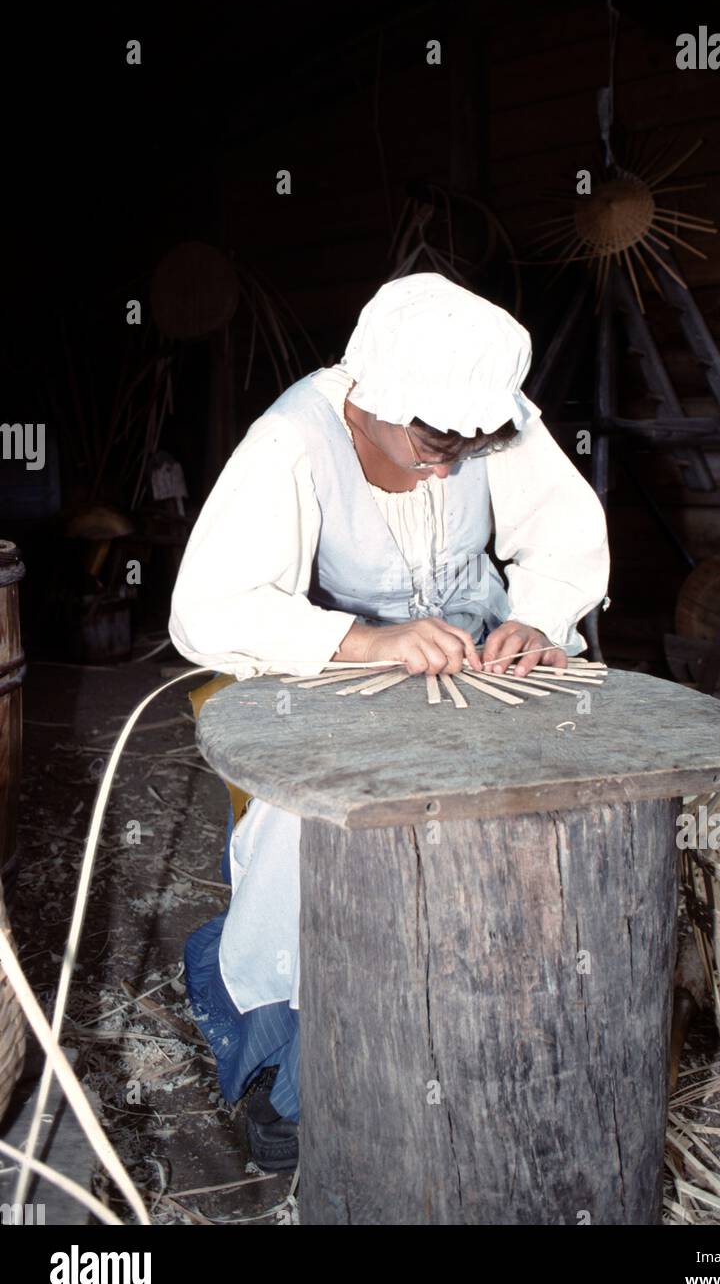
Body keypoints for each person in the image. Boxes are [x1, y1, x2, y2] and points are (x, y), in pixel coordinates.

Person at [169, 271, 610, 1171]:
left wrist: (538, 616)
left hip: (475, 659)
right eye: (435, 440)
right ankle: (290, 1069)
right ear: (369, 397)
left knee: (563, 802)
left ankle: (508, 1037)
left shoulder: (476, 421)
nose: (450, 462)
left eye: (472, 441)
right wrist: (362, 639)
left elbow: (564, 532)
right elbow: (204, 610)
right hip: (325, 673)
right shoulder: (292, 440)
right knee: (306, 840)